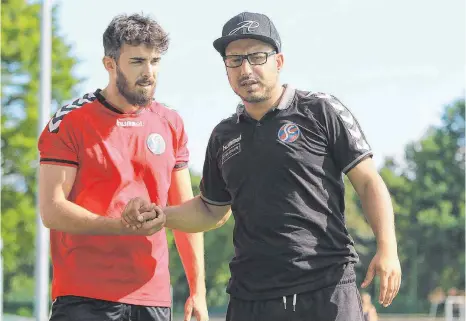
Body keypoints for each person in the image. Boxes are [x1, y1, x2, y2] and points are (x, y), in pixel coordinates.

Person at [125, 11, 402, 321]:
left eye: (257, 57)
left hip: (326, 290)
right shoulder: (223, 136)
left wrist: (387, 247)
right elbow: (210, 210)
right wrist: (163, 216)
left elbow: (368, 182)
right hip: (251, 299)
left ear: (278, 62)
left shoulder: (321, 110)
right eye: (235, 60)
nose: (246, 69)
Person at [38, 13, 208, 321]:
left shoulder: (171, 122)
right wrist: (121, 225)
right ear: (110, 64)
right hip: (83, 295)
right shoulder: (69, 122)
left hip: (153, 295)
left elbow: (184, 210)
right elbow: (52, 209)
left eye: (155, 61)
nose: (149, 72)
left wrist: (198, 290)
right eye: (137, 62)